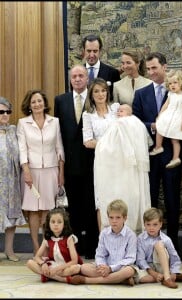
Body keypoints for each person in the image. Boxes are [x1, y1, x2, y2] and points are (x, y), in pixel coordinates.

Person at [132, 52, 182, 253]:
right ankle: (150, 245)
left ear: (165, 66)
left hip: (172, 155)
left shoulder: (177, 93)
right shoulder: (141, 94)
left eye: (155, 68)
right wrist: (153, 126)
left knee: (172, 201)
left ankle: (173, 246)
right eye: (149, 69)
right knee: (151, 200)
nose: (152, 72)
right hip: (149, 156)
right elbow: (135, 122)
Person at [54, 64, 98, 259]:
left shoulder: (95, 98)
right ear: (70, 79)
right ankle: (75, 247)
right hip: (70, 165)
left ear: (87, 78)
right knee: (74, 207)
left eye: (81, 75)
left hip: (93, 163)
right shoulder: (61, 100)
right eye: (74, 76)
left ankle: (92, 246)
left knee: (90, 205)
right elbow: (58, 135)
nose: (78, 79)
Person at [17, 90, 64, 255]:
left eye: (39, 101)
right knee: (33, 210)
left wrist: (61, 172)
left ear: (44, 103)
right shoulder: (23, 123)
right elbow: (22, 149)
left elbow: (59, 148)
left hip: (51, 170)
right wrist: (26, 170)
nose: (37, 104)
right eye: (33, 102)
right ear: (29, 106)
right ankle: (36, 246)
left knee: (47, 210)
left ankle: (46, 246)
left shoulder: (55, 122)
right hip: (31, 171)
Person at [93, 99, 152, 233]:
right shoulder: (138, 125)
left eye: (122, 110)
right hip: (129, 168)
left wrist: (100, 145)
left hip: (123, 167)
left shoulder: (123, 123)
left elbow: (104, 147)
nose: (119, 112)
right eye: (118, 110)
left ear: (130, 113)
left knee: (125, 195)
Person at [69, 199, 137, 286]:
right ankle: (120, 280)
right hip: (105, 267)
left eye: (118, 217)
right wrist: (103, 267)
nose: (114, 221)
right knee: (84, 267)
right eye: (111, 217)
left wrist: (111, 269)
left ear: (125, 218)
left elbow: (130, 258)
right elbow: (100, 254)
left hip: (121, 267)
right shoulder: (104, 233)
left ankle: (88, 280)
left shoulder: (131, 235)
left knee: (129, 271)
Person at [82, 77, 119, 232]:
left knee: (119, 196)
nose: (100, 94)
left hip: (118, 161)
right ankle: (103, 241)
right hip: (102, 162)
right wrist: (108, 143)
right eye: (96, 91)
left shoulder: (116, 109)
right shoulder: (88, 115)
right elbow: (88, 141)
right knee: (102, 199)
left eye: (103, 90)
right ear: (91, 94)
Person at [149, 69, 182, 169]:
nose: (172, 85)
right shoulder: (170, 94)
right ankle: (158, 147)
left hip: (178, 119)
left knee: (175, 140)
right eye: (170, 83)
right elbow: (165, 105)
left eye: (175, 83)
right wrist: (160, 115)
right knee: (159, 128)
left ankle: (176, 158)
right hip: (168, 116)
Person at [0, 97, 26, 262]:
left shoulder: (14, 130)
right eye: (1, 112)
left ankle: (9, 250)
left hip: (12, 180)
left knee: (12, 214)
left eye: (7, 111)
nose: (4, 115)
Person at [26, 207, 83, 283]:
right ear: (48, 224)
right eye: (53, 222)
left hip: (66, 266)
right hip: (53, 265)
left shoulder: (69, 238)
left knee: (76, 268)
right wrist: (43, 264)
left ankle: (49, 276)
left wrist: (57, 269)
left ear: (64, 224)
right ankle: (59, 278)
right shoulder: (47, 239)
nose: (56, 224)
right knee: (30, 263)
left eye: (59, 222)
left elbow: (74, 261)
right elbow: (37, 257)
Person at [135, 207, 182, 289]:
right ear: (144, 224)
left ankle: (167, 277)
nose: (151, 228)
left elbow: (174, 258)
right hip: (149, 268)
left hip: (162, 266)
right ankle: (170, 277)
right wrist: (153, 273)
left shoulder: (166, 239)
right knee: (138, 278)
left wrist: (174, 271)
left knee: (159, 244)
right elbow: (140, 259)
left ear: (160, 224)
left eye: (155, 224)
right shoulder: (140, 239)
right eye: (148, 224)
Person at [82, 34, 120, 100]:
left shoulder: (113, 73)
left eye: (95, 51)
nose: (91, 55)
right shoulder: (77, 74)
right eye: (88, 51)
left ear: (100, 51)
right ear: (83, 51)